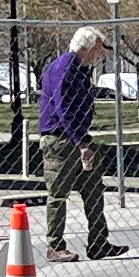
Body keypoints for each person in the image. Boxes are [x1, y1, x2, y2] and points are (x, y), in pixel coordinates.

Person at [38, 25, 121, 259]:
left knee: (94, 190)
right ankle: (55, 246)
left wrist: (84, 141)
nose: (101, 53)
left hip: (79, 138)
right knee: (58, 194)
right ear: (86, 46)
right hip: (60, 141)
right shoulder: (64, 68)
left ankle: (99, 243)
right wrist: (81, 144)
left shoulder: (82, 69)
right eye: (98, 48)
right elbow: (63, 109)